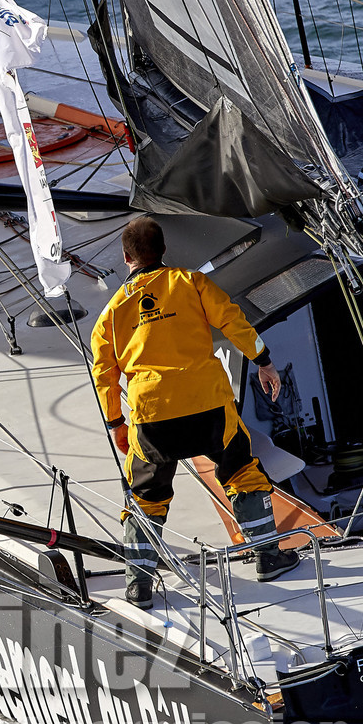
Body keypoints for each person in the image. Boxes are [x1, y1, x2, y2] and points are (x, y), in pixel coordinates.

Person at [90, 216, 297, 609]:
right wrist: (264, 361)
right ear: (163, 250)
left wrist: (116, 422)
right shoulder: (191, 283)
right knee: (241, 471)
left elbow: (104, 372)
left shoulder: (112, 313)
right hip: (208, 407)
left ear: (126, 257)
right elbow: (232, 319)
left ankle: (139, 585)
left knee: (146, 496)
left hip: (152, 417)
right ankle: (268, 558)